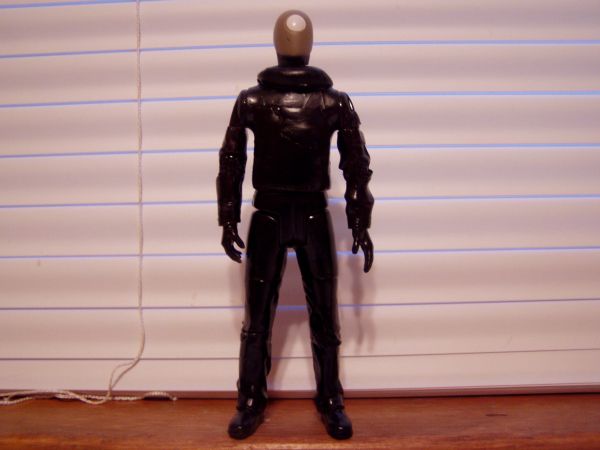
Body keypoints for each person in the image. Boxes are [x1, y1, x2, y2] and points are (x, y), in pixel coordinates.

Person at [217, 9, 374, 440]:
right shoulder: (252, 101)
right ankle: (250, 399)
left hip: (309, 212)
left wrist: (359, 220)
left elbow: (356, 165)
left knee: (322, 312)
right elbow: (231, 160)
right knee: (259, 316)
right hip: (271, 213)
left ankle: (330, 398)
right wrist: (228, 216)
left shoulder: (333, 102)